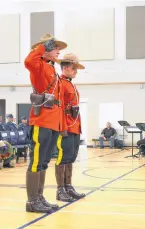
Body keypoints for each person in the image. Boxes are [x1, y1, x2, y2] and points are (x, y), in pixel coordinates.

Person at [24, 33, 67, 213]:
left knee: (43, 162)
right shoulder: (38, 65)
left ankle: (39, 197)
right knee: (35, 162)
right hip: (42, 119)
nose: (58, 50)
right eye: (55, 47)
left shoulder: (51, 69)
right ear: (46, 49)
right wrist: (42, 48)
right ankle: (32, 201)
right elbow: (28, 61)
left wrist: (61, 126)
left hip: (53, 121)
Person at [55, 53, 86, 202]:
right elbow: (59, 107)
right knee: (63, 158)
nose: (76, 71)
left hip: (75, 126)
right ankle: (60, 190)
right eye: (74, 68)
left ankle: (68, 186)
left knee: (71, 157)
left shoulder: (71, 83)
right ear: (66, 68)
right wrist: (62, 127)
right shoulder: (60, 83)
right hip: (65, 125)